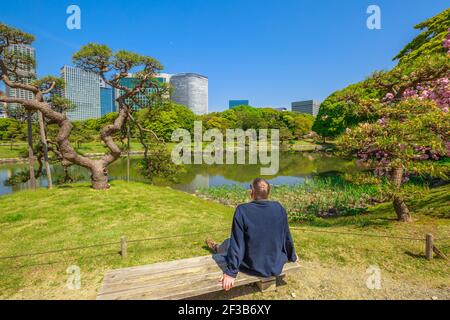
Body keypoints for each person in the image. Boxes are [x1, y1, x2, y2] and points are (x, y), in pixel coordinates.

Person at [206, 178, 297, 291]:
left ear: (251, 193)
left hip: (253, 266)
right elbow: (286, 237)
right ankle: (216, 246)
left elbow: (238, 244)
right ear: (268, 193)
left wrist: (231, 273)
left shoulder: (242, 210)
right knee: (229, 242)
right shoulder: (279, 208)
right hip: (275, 264)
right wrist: (291, 256)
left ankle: (216, 247)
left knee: (229, 243)